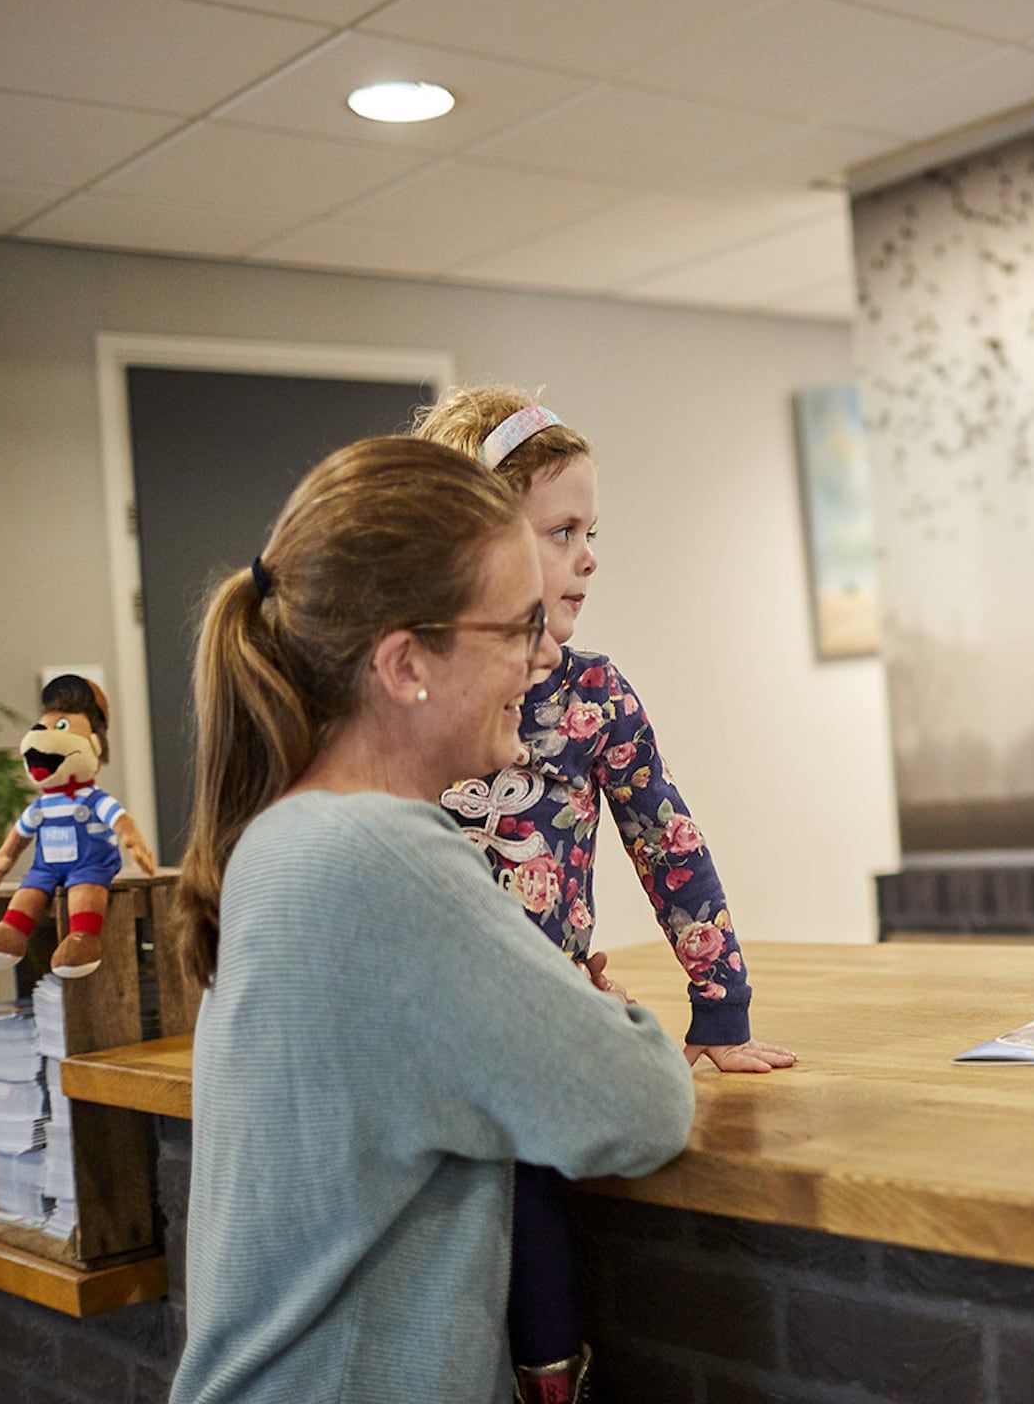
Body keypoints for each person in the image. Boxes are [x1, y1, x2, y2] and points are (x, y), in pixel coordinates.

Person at [168, 437, 695, 1404]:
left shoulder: (285, 838)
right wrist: (594, 1010)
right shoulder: (382, 857)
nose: (544, 656)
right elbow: (642, 1104)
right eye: (517, 628)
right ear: (407, 662)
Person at [412, 386, 793, 1401]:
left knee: (538, 1198)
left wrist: (721, 1004)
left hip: (543, 1016)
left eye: (593, 534)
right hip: (430, 1022)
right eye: (561, 532)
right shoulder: (419, 696)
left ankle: (553, 1379)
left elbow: (669, 846)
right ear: (479, 539)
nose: (588, 557)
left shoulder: (596, 697)